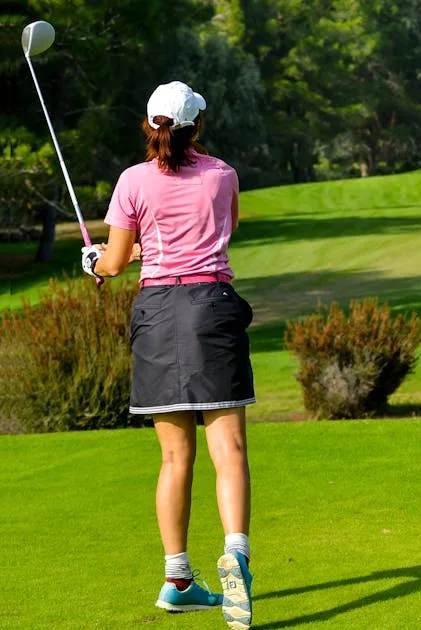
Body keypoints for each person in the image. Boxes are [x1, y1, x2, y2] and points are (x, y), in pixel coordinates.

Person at [83, 81, 255, 630]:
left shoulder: (132, 180)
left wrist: (97, 261)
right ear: (195, 126)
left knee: (175, 458)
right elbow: (226, 228)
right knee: (227, 447)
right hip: (211, 305)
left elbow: (112, 263)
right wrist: (139, 247)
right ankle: (237, 558)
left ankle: (179, 580)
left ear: (149, 124)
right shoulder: (222, 174)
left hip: (157, 313)